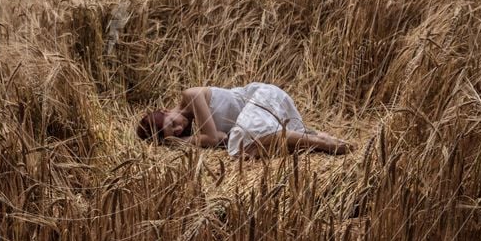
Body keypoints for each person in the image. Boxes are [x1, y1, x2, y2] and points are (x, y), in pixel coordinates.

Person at [136, 83, 353, 158]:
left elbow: (213, 138)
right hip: (261, 117)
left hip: (261, 98)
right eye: (176, 133)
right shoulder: (193, 129)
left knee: (246, 136)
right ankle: (317, 137)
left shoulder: (190, 95)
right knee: (243, 150)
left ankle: (325, 144)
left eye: (172, 122)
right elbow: (222, 139)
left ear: (165, 110)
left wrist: (183, 142)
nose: (180, 127)